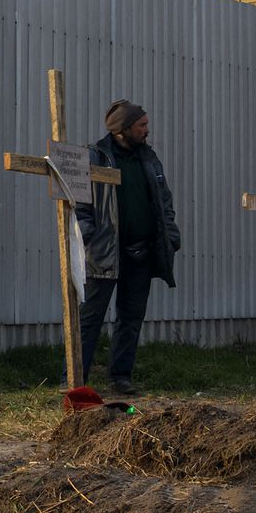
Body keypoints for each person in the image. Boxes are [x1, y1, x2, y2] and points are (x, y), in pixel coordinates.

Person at [74, 100, 179, 395]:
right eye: (141, 125)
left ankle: (121, 376)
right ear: (122, 129)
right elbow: (81, 204)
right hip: (105, 251)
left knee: (131, 317)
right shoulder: (96, 158)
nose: (147, 130)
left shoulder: (148, 158)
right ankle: (75, 377)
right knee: (91, 317)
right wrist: (90, 236)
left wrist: (169, 234)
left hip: (141, 252)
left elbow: (164, 201)